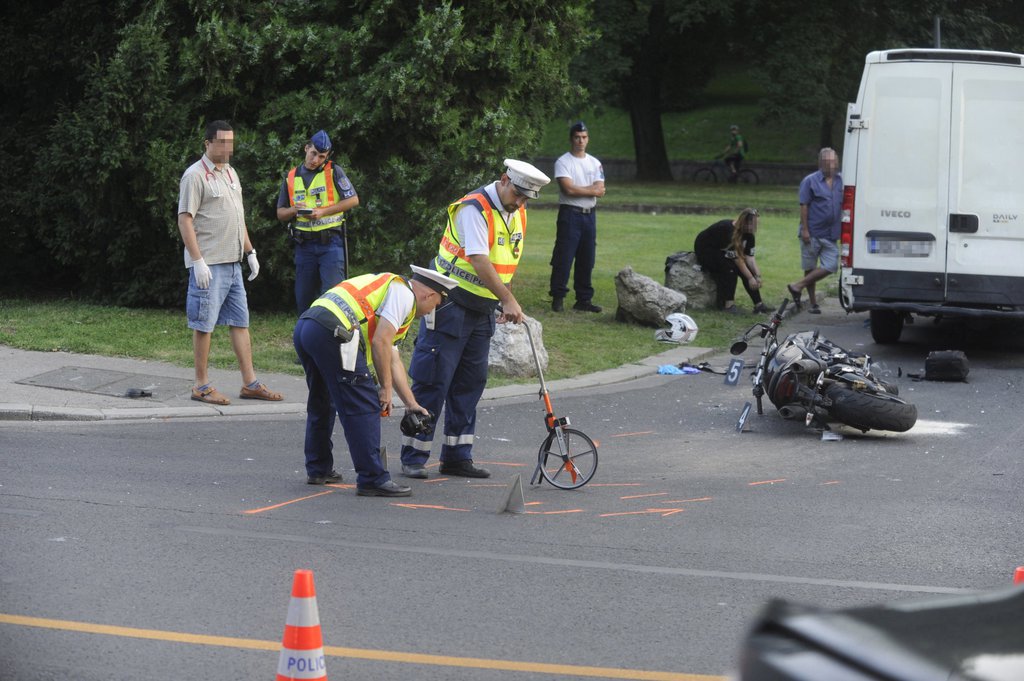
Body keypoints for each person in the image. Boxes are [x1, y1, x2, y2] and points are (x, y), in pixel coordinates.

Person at [399, 159, 551, 480]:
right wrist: (508, 299)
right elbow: (480, 260)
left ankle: (457, 456)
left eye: (527, 198)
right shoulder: (474, 208)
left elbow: (506, 261)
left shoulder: (517, 211)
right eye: (519, 194)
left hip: (480, 309)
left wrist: (500, 299)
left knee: (470, 383)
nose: (521, 202)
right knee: (434, 378)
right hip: (447, 303)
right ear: (504, 180)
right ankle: (414, 453)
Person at [293, 265, 457, 496]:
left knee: (323, 401)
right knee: (364, 406)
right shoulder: (404, 295)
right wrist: (385, 389)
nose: (431, 311)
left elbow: (392, 358)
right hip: (336, 333)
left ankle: (319, 469)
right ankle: (372, 478)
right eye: (435, 305)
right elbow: (381, 342)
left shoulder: (388, 288)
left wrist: (410, 403)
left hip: (308, 326)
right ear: (428, 294)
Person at [177, 120, 283, 406]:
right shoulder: (195, 176)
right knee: (204, 323)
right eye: (222, 142)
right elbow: (185, 218)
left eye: (231, 142)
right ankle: (200, 385)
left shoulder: (231, 173)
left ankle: (250, 383)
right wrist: (197, 260)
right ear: (207, 143)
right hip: (209, 265)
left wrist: (250, 252)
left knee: (240, 322)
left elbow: (238, 217)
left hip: (233, 262)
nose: (228, 147)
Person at [276, 129, 360, 314]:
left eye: (321, 157)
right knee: (304, 299)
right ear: (306, 148)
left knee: (333, 299)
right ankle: (307, 339)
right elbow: (281, 213)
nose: (316, 160)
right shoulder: (291, 177)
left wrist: (323, 212)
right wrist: (294, 210)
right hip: (303, 246)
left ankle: (332, 340)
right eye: (313, 153)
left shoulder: (334, 171)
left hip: (330, 244)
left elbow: (353, 200)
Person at [549, 120, 606, 313]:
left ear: (587, 139)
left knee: (587, 258)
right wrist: (591, 190)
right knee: (564, 256)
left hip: (589, 216)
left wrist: (581, 189)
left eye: (584, 137)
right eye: (577, 137)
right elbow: (568, 189)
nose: (581, 141)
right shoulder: (563, 162)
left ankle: (583, 299)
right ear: (571, 139)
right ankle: (558, 296)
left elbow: (600, 189)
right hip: (570, 214)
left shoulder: (594, 163)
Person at [787, 148, 843, 314]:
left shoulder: (841, 181)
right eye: (828, 162)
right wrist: (805, 229)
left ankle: (797, 286)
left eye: (834, 162)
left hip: (831, 233)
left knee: (832, 265)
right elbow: (804, 205)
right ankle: (812, 304)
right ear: (821, 163)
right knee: (810, 267)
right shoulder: (810, 181)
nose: (831, 165)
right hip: (812, 231)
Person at [694, 208, 767, 315]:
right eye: (753, 225)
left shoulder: (749, 234)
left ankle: (759, 305)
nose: (754, 228)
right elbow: (737, 260)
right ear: (744, 223)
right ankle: (728, 306)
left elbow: (750, 258)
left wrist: (757, 276)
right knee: (731, 268)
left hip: (722, 251)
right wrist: (750, 278)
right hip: (706, 250)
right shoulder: (728, 230)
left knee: (746, 270)